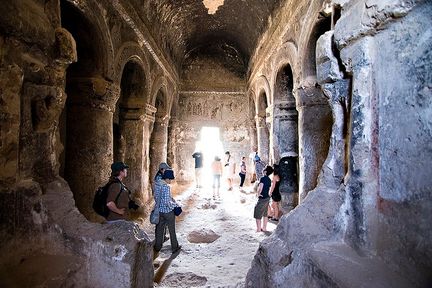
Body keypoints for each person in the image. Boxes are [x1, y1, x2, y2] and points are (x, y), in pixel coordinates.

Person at [153, 169, 182, 258]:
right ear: (167, 179)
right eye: (170, 179)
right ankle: (175, 247)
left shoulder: (157, 185)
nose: (171, 181)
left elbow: (155, 197)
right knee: (172, 230)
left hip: (159, 211)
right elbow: (167, 202)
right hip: (167, 212)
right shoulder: (166, 187)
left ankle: (157, 247)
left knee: (159, 230)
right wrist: (175, 206)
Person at [153, 162, 172, 242]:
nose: (167, 170)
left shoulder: (159, 176)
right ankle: (159, 239)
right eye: (166, 169)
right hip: (160, 203)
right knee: (160, 222)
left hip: (159, 201)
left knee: (161, 222)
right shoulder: (159, 179)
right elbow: (165, 186)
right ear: (162, 169)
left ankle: (161, 237)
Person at [253, 165, 273, 232]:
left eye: (264, 169)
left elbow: (260, 188)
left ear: (265, 171)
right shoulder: (269, 180)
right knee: (265, 214)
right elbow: (269, 189)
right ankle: (264, 228)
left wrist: (258, 194)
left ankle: (258, 229)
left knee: (257, 213)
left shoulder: (262, 178)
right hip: (267, 197)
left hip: (262, 198)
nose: (263, 170)